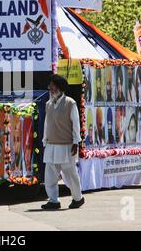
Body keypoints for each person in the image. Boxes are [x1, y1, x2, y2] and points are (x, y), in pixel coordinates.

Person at [42, 75, 85, 210]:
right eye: (50, 85)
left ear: (59, 87)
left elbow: (76, 124)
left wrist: (76, 142)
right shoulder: (48, 104)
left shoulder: (70, 103)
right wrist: (45, 140)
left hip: (67, 145)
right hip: (51, 145)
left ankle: (78, 198)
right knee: (49, 175)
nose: (50, 88)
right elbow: (46, 124)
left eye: (53, 85)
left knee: (70, 174)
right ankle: (53, 200)